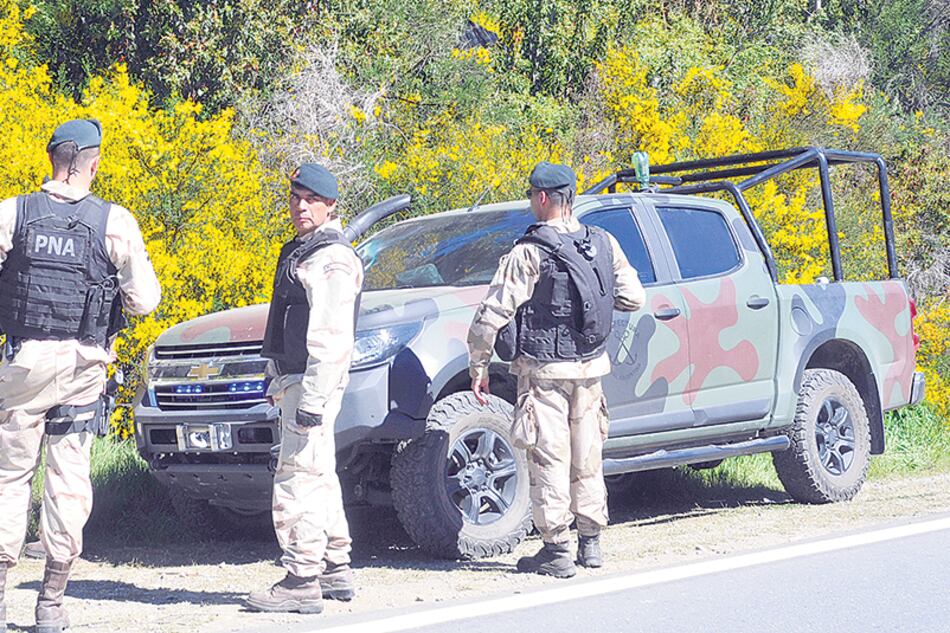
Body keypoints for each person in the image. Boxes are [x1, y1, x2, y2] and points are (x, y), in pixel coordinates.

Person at [0, 119, 161, 633]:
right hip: (81, 367)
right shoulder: (114, 221)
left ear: (51, 159)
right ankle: (50, 602)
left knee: (9, 477)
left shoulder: (13, 212)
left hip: (23, 364)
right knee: (68, 479)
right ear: (93, 164)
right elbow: (144, 302)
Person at [467, 161, 645, 578]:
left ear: (543, 197)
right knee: (587, 456)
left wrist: (479, 365)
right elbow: (633, 297)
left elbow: (491, 314)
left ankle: (556, 549)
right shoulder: (602, 242)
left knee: (548, 457)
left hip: (544, 372)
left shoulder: (529, 251)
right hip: (591, 370)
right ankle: (591, 543)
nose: (532, 201)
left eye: (532, 194)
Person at [247, 164, 363, 614]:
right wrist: (277, 377)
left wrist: (311, 401)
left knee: (299, 476)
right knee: (319, 471)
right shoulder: (306, 251)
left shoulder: (330, 258)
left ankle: (301, 579)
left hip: (311, 383)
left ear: (330, 204)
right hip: (296, 380)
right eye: (295, 198)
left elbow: (331, 340)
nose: (300, 206)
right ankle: (334, 567)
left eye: (311, 199)